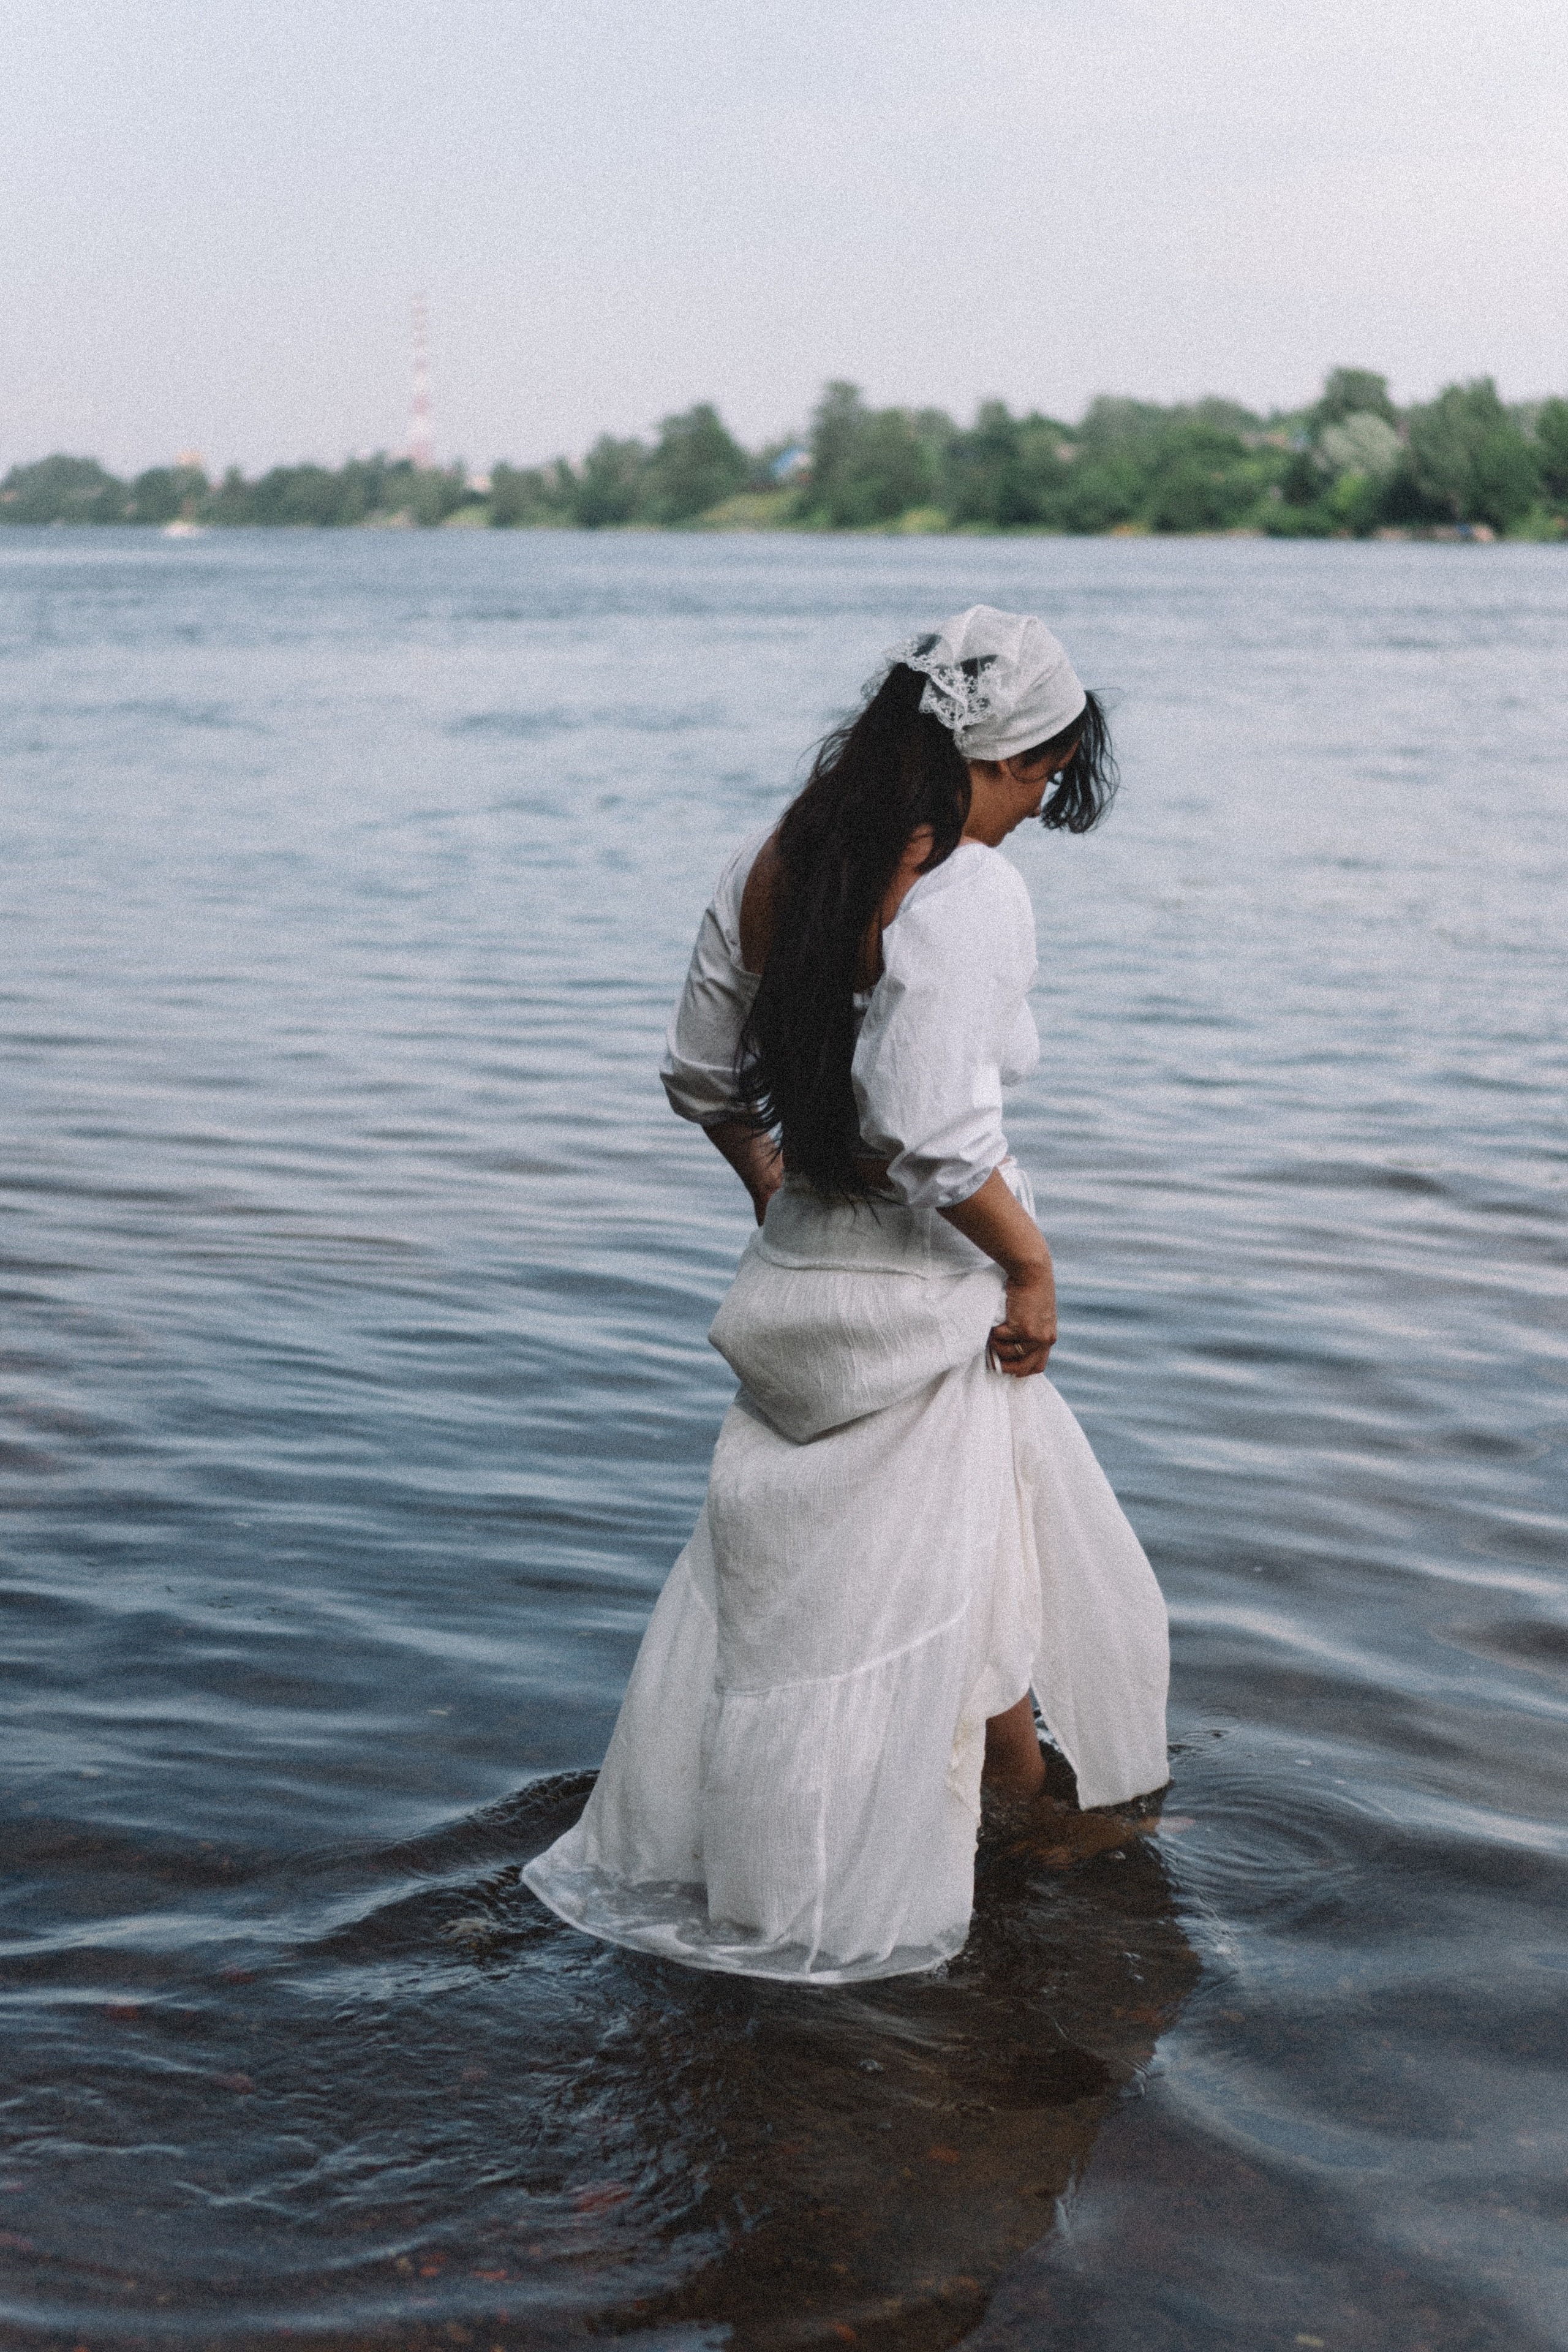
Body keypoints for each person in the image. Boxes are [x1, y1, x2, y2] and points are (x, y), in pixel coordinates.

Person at [524, 606, 1169, 1984]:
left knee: (831, 1609)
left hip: (798, 1282)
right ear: (997, 759)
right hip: (925, 1299)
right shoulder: (969, 892)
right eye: (1044, 774)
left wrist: (774, 1189)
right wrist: (1030, 1264)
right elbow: (938, 1130)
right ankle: (956, 1873)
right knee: (941, 1603)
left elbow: (700, 1076)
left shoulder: (774, 861)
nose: (1040, 804)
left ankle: (949, 1830)